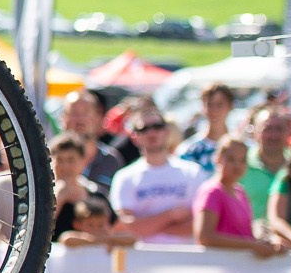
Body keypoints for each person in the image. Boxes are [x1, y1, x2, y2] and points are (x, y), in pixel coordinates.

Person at [108, 112, 203, 242]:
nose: (152, 133)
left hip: (185, 258)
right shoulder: (125, 177)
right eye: (144, 129)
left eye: (157, 127)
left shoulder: (193, 172)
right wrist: (170, 215)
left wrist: (150, 227)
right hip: (142, 259)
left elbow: (202, 223)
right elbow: (125, 226)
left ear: (167, 131)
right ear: (134, 137)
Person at [193, 138, 288, 258]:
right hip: (220, 269)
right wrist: (252, 245)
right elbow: (205, 237)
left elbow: (244, 235)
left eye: (242, 160)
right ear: (218, 159)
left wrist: (270, 242)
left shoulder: (240, 192)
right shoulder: (212, 192)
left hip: (240, 270)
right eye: (231, 159)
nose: (237, 165)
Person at [48, 133, 114, 242]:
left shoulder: (96, 195)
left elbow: (114, 231)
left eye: (71, 160)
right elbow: (37, 231)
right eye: (60, 160)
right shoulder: (40, 198)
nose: (65, 166)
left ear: (83, 162)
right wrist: (59, 197)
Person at [59, 90, 122, 188]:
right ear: (63, 118)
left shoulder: (111, 160)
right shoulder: (49, 158)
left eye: (86, 112)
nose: (80, 119)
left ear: (98, 117)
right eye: (74, 112)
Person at [240, 107, 291, 220]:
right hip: (248, 237)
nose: (274, 135)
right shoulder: (240, 163)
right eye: (267, 129)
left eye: (279, 129)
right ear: (254, 132)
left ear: (288, 131)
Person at [176, 82, 235, 171]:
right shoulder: (190, 150)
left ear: (230, 106)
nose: (214, 111)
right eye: (209, 104)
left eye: (219, 105)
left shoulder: (239, 148)